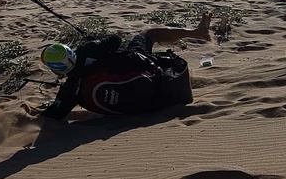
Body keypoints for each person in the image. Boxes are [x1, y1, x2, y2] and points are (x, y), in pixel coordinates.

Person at [36, 12, 212, 120]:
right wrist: (95, 44)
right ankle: (198, 33)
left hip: (140, 106)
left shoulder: (70, 89)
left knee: (146, 38)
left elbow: (55, 115)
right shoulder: (87, 50)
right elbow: (115, 40)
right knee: (148, 34)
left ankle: (198, 32)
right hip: (140, 65)